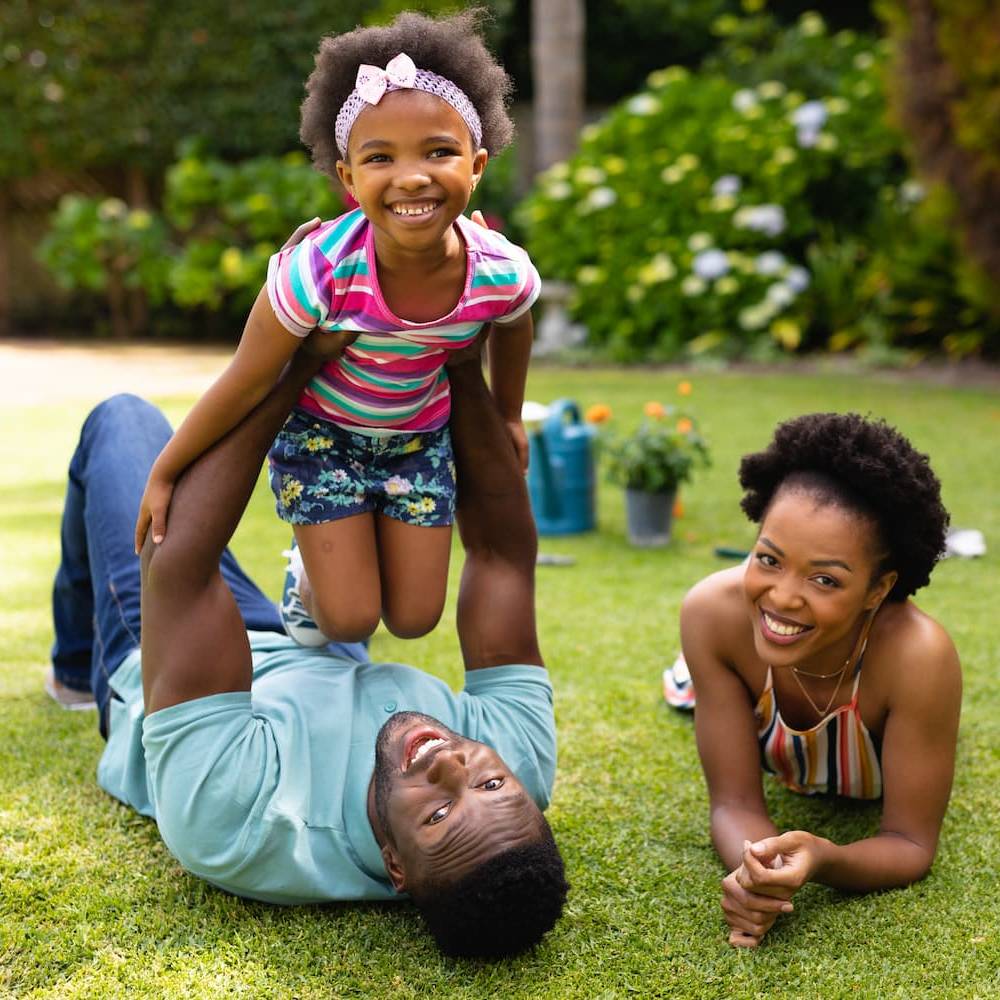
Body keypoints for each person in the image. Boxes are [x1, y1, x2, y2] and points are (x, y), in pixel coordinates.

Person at [48, 327, 567, 959]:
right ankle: (316, 601)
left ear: (394, 869)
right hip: (330, 666)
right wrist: (460, 361)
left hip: (209, 677)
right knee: (352, 618)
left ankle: (79, 667)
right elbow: (502, 555)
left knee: (123, 422)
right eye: (491, 787)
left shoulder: (242, 821)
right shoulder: (520, 764)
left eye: (436, 816)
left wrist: (291, 368)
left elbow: (180, 564)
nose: (450, 766)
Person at [134, 9, 539, 647]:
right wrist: (166, 469)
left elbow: (515, 324)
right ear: (349, 179)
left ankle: (350, 556)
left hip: (418, 440)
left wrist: (508, 412)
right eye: (380, 158)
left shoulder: (500, 268)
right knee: (348, 619)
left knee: (412, 619)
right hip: (323, 440)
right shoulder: (318, 271)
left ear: (478, 163)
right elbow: (246, 379)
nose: (412, 176)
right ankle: (306, 580)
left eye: (440, 152)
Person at [676, 412, 960, 949]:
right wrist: (758, 871)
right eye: (769, 559)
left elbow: (909, 843)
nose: (783, 596)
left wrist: (825, 859)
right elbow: (733, 805)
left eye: (825, 579)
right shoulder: (713, 615)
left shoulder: (918, 659)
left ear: (878, 590)